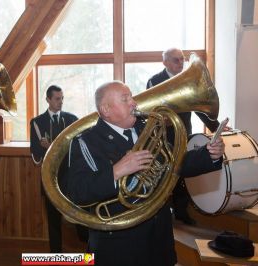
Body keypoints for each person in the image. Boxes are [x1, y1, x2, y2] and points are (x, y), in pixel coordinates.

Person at [65, 81, 225, 265]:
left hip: (159, 237)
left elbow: (174, 163)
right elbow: (78, 192)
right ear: (106, 110)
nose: (134, 102)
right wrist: (116, 171)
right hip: (119, 246)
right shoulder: (86, 142)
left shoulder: (148, 129)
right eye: (125, 99)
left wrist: (209, 154)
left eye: (131, 97)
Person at [146, 47, 221, 225]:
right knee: (165, 175)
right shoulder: (154, 81)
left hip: (183, 134)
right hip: (163, 139)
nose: (181, 63)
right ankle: (160, 212)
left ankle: (181, 212)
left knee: (182, 174)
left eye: (182, 59)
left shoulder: (189, 80)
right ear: (165, 62)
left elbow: (198, 108)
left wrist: (216, 127)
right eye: (175, 60)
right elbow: (153, 110)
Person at [30, 85, 86, 252]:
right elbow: (35, 153)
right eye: (57, 99)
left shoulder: (72, 119)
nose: (60, 102)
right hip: (49, 179)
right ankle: (56, 254)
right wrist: (43, 148)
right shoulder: (36, 122)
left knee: (79, 218)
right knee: (53, 220)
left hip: (71, 179)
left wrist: (52, 146)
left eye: (62, 98)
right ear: (48, 99)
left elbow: (78, 149)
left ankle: (86, 252)